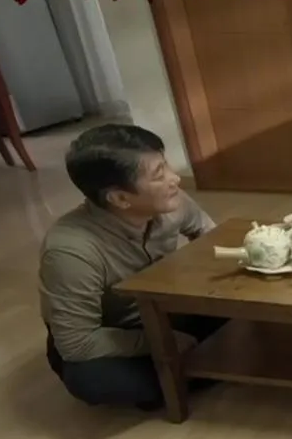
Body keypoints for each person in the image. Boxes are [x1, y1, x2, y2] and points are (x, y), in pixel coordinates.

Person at [39, 124, 222, 411]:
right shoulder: (71, 250)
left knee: (248, 316)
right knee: (93, 380)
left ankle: (180, 375)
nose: (175, 178)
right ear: (120, 198)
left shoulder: (171, 202)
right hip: (112, 333)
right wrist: (162, 341)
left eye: (166, 165)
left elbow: (212, 238)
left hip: (162, 307)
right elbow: (77, 342)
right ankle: (184, 373)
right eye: (159, 175)